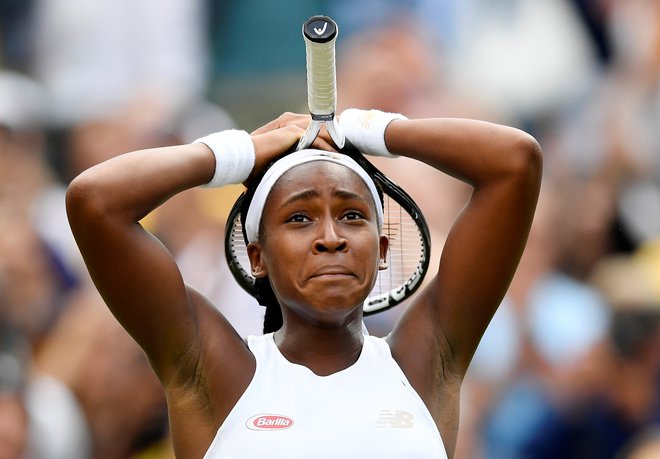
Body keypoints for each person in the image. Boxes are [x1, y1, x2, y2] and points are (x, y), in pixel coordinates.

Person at [66, 108, 542, 458]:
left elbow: (516, 162)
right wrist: (241, 153)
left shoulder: (426, 361)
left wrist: (364, 128)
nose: (330, 237)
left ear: (380, 250)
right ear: (257, 257)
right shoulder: (213, 373)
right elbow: (95, 202)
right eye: (299, 218)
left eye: (352, 215)